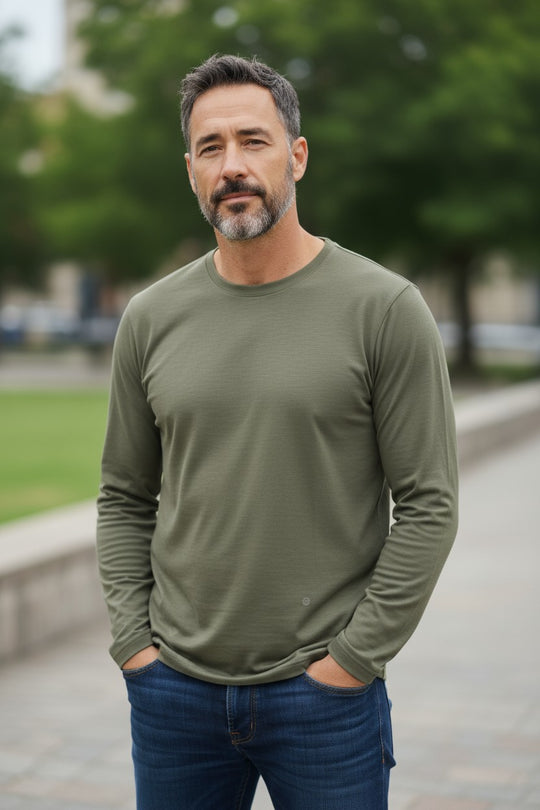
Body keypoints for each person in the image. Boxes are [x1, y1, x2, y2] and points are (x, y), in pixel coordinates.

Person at [97, 54, 458, 810]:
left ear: (296, 156)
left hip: (323, 700)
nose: (232, 165)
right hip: (174, 697)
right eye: (210, 147)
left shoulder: (385, 310)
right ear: (191, 169)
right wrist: (135, 645)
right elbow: (125, 495)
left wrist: (353, 662)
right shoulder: (151, 318)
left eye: (253, 141)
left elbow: (428, 504)